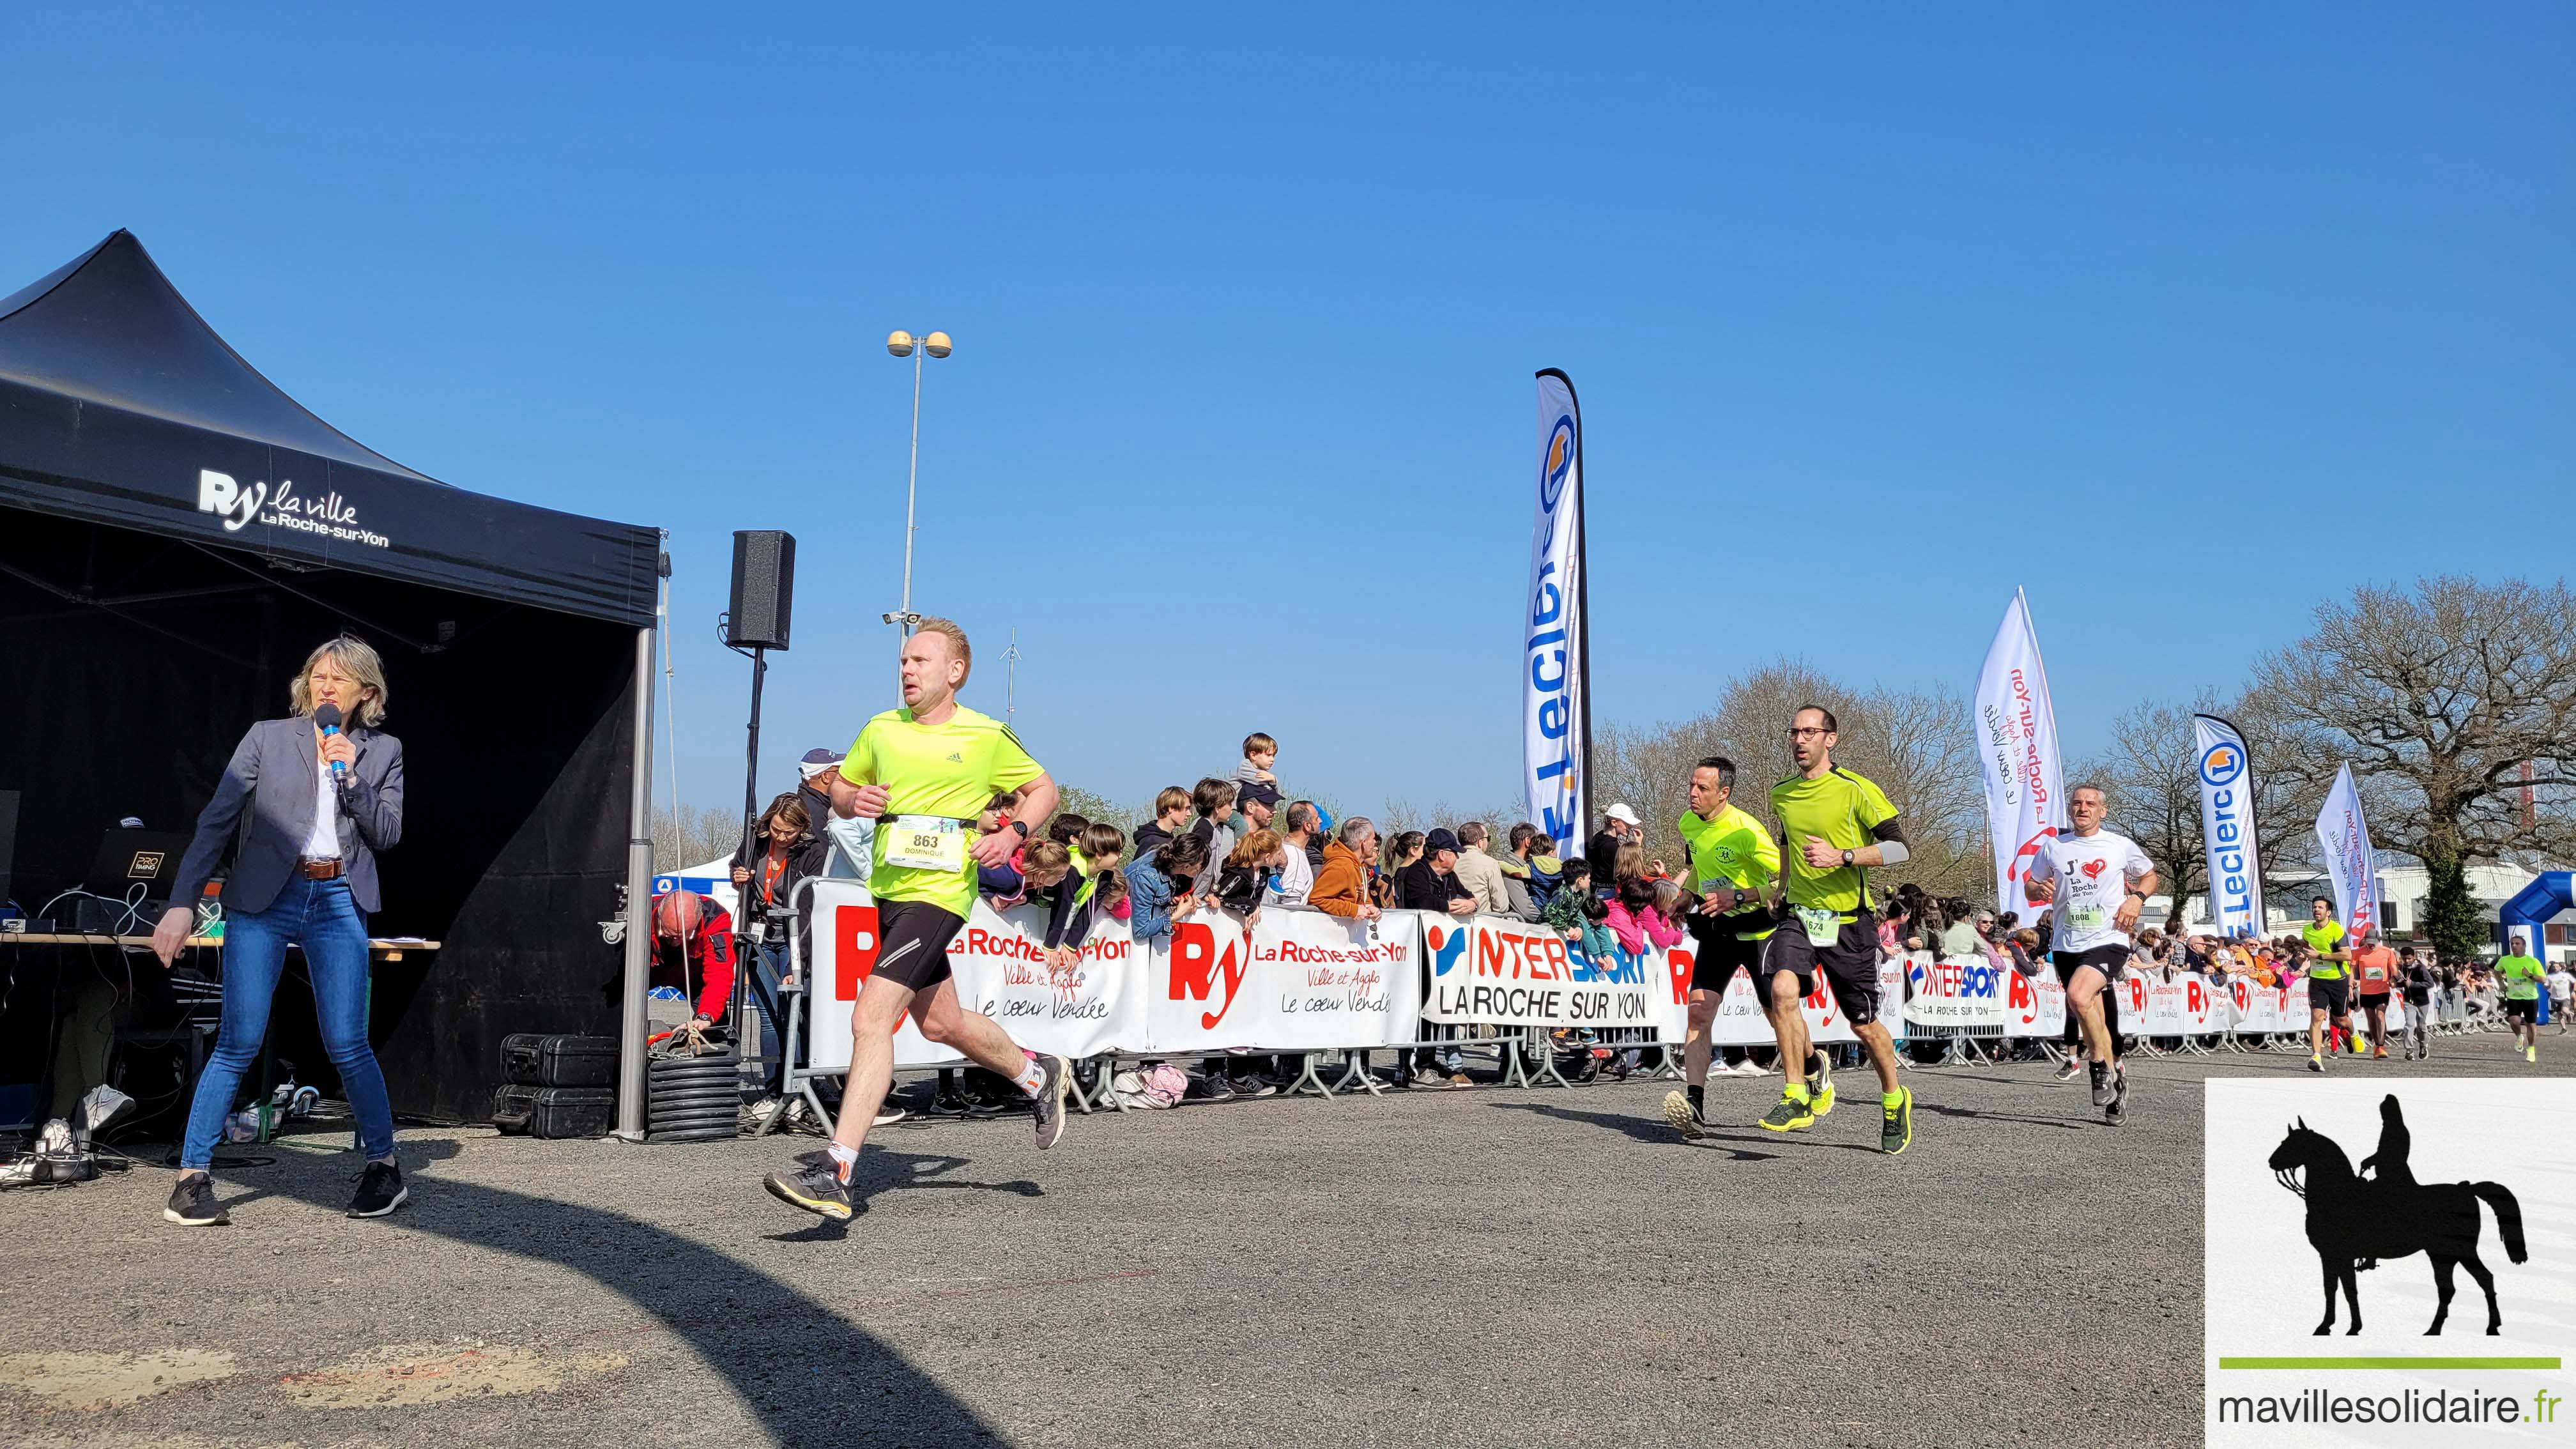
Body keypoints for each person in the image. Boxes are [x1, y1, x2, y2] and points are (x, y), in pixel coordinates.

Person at [763, 619, 1075, 1222]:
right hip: (889, 890)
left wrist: (1013, 831)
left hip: (940, 894)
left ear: (954, 671)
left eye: (920, 661)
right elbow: (845, 790)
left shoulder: (985, 734)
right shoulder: (880, 728)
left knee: (870, 1017)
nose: (907, 670)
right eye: (904, 661)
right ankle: (1037, 1075)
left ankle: (838, 1168)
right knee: (942, 1025)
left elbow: (1044, 791)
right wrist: (858, 800)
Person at [151, 636, 407, 1225]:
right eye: (318, 676)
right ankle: (192, 1178)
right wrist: (183, 901)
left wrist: (352, 776)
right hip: (267, 895)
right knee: (240, 1038)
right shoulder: (268, 737)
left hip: (339, 894)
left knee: (347, 1042)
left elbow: (388, 833)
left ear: (365, 693)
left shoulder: (382, 750)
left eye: (339, 680)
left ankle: (383, 1167)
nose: (324, 686)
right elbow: (217, 820)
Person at [1757, 705, 1914, 1154]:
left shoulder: (1856, 789)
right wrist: (1781, 889)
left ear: (1831, 739)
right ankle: (1796, 1094)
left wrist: (1843, 856)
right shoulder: (1782, 793)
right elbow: (1787, 841)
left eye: (1810, 732)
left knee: (1863, 1026)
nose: (1799, 739)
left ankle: (1893, 1099)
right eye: (1794, 732)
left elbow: (1901, 850)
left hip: (1850, 922)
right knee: (1783, 991)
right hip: (1800, 915)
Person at [2021, 782, 2156, 1123]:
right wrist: (2039, 887)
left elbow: (2150, 876)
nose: (2083, 808)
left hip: (2109, 937)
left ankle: (2096, 1064)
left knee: (2078, 997)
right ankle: (2115, 1085)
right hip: (2067, 942)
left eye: (2090, 804)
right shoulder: (2054, 846)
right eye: (2077, 803)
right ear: (2070, 809)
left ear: (2103, 811)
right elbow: (2031, 885)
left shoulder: (2119, 845)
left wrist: (2136, 898)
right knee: (2090, 1013)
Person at [1661, 755, 1781, 1138]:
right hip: (1719, 930)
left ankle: (1812, 1067)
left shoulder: (1747, 830)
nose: (1693, 794)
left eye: (1703, 788)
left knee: (1777, 1015)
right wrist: (1688, 895)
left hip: (1758, 929)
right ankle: (1694, 1105)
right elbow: (1700, 864)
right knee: (1698, 1012)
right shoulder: (1688, 823)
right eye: (1691, 785)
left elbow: (1786, 885)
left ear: (1724, 793)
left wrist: (1740, 897)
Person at [1125, 832, 1209, 947]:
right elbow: (1141, 930)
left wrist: (1177, 903)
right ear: (1187, 866)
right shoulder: (1146, 877)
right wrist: (1176, 916)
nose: (1200, 873)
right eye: (1199, 869)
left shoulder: (1168, 864)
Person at [2299, 896, 2354, 1071]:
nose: (2317, 910)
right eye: (2314, 907)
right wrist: (2304, 956)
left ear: (2328, 912)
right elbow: (2309, 953)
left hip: (2337, 980)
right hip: (2317, 980)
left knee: (2341, 1019)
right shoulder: (2307, 930)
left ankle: (2353, 1033)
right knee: (2317, 1017)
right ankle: (2316, 1056)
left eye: (2320, 907)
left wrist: (2320, 956)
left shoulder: (2336, 930)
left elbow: (2347, 956)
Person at [1308, 816, 1381, 922]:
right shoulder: (1340, 867)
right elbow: (1317, 899)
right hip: (1331, 934)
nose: (1375, 842)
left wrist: (1370, 906)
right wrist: (1352, 910)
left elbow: (1359, 894)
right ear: (1364, 843)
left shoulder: (1358, 865)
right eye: (1373, 838)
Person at [2349, 926, 2399, 1058]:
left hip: (2382, 990)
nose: (2371, 945)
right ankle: (2377, 1046)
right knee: (2371, 1019)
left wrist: (2395, 979)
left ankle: (2381, 1045)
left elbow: (2394, 969)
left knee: (2380, 1015)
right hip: (2366, 992)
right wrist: (2350, 983)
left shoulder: (2387, 952)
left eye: (2373, 942)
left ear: (2378, 941)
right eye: (2368, 942)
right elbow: (2352, 970)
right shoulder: (2358, 953)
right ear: (2365, 940)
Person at [2497, 934, 2546, 1065]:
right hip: (2513, 997)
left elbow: (2543, 979)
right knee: (2514, 1021)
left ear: (2524, 946)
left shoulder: (2533, 961)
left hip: (2530, 997)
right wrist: (2501, 984)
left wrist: (2529, 975)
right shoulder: (2505, 960)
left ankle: (2531, 1048)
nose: (2514, 946)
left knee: (2531, 1024)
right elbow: (2496, 971)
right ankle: (2519, 1036)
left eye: (2517, 944)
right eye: (2512, 944)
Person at [1449, 821, 1511, 917]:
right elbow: (1501, 905)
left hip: (1449, 923)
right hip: (1482, 923)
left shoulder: (1448, 861)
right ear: (1480, 842)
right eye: (1488, 838)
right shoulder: (1490, 863)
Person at [1268, 801, 1319, 906]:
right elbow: (1290, 905)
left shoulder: (1282, 847)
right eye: (1316, 818)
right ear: (1307, 826)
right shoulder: (1295, 858)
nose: (1320, 821)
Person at [1133, 785, 1192, 861]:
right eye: (1186, 808)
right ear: (1171, 808)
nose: (1189, 814)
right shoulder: (1152, 843)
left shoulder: (1166, 840)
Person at [2399, 947, 2438, 1061]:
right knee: (2409, 1025)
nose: (2406, 961)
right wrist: (2396, 983)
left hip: (2422, 1001)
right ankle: (2409, 1050)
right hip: (2408, 1001)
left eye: (2409, 959)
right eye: (2404, 959)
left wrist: (2413, 984)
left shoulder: (2421, 969)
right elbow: (2403, 983)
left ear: (2414, 957)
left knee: (2421, 1026)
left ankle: (2423, 1045)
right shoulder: (2401, 968)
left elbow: (2430, 983)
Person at [1587, 803, 1641, 883]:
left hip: (1597, 890)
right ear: (1614, 823)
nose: (1630, 827)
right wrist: (1637, 846)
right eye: (1627, 823)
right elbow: (1630, 869)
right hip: (1608, 891)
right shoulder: (1611, 846)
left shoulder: (1599, 838)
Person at [1374, 831, 1425, 910]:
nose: (1428, 851)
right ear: (1413, 851)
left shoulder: (1402, 872)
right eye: (1424, 847)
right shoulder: (1413, 873)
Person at [2549, 960, 2575, 1036]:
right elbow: (2547, 985)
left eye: (2557, 967)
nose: (2555, 968)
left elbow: (2574, 981)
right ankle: (2564, 1029)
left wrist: (2573, 990)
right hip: (2555, 997)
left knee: (2564, 1010)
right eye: (2554, 967)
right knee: (2559, 1013)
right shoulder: (2550, 976)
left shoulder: (2566, 975)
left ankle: (2570, 1014)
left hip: (2565, 997)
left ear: (2560, 968)